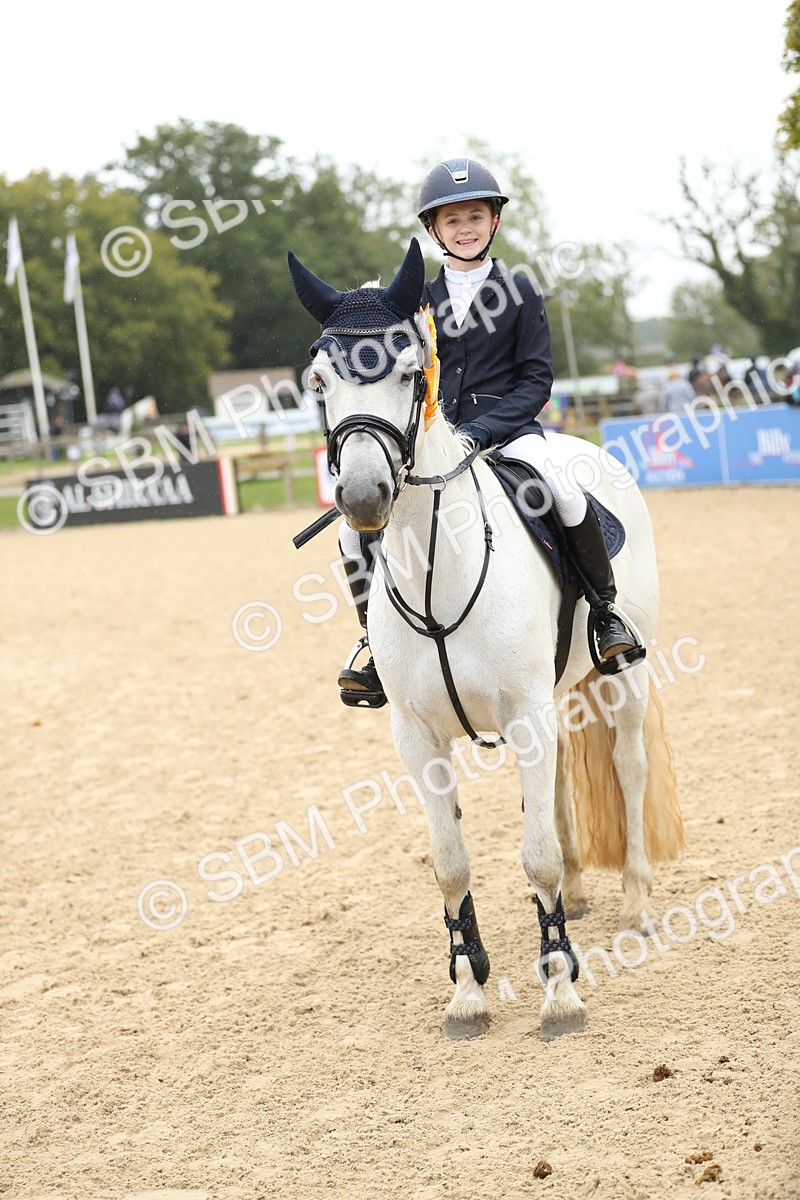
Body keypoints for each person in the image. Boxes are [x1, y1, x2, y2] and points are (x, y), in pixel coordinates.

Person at [337, 157, 643, 705]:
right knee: (350, 532)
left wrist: (481, 430)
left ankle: (604, 612)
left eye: (475, 216)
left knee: (564, 490)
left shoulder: (520, 290)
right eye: (452, 221)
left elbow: (536, 378)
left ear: (494, 222)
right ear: (434, 231)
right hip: (433, 442)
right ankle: (373, 644)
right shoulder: (415, 302)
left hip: (509, 431)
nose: (465, 228)